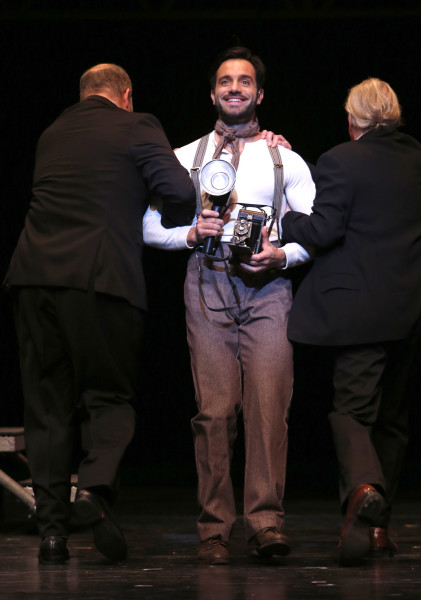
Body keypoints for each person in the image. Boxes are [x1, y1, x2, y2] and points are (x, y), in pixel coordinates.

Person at [3, 63, 196, 564]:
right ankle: (93, 490)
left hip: (33, 278)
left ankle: (51, 534)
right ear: (125, 95)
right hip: (99, 280)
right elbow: (179, 193)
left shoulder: (52, 132)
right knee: (109, 398)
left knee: (45, 411)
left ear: (85, 95)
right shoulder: (137, 125)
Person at [143, 46, 315, 564]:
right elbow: (149, 226)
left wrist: (282, 255)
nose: (234, 88)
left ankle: (265, 524)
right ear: (212, 92)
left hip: (268, 291)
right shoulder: (183, 157)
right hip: (207, 284)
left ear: (259, 94)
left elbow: (314, 228)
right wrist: (191, 233)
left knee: (269, 410)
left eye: (244, 81)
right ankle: (215, 530)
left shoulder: (285, 156)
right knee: (214, 413)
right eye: (225, 81)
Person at [281, 77, 421, 566]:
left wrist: (288, 220)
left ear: (352, 120)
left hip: (362, 313)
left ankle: (364, 489)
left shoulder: (340, 159)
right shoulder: (415, 155)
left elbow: (324, 230)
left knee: (351, 413)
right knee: (392, 421)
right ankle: (377, 529)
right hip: (413, 307)